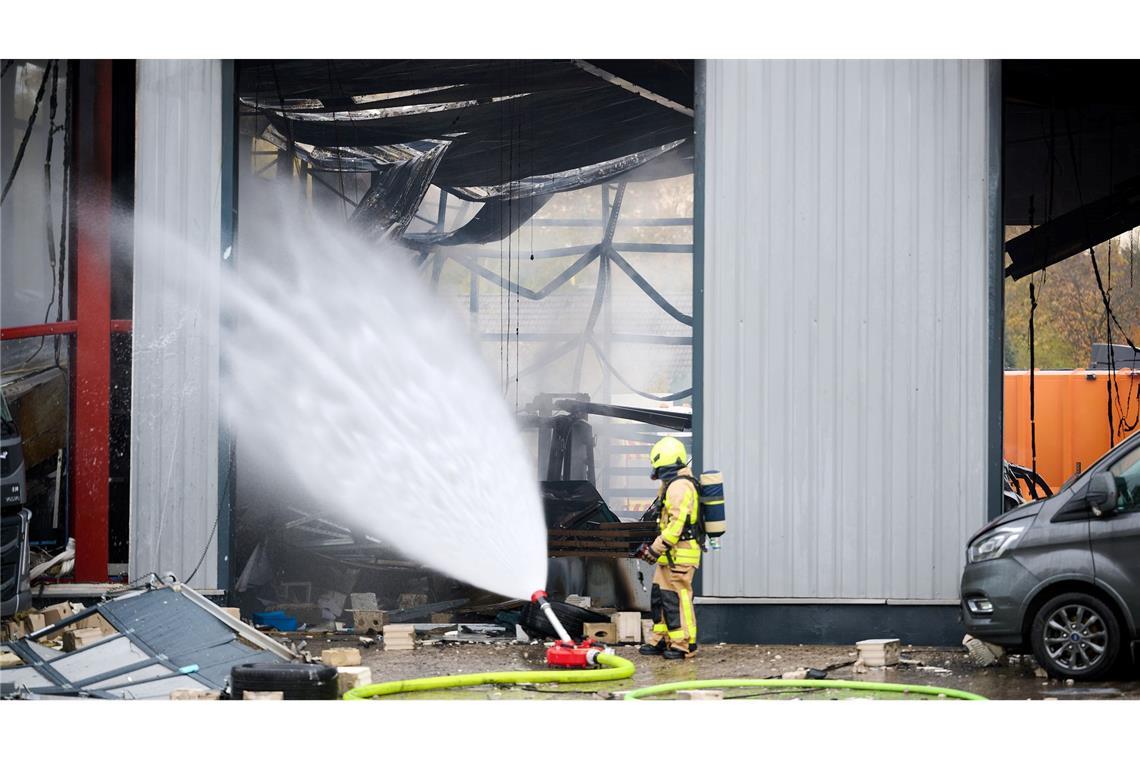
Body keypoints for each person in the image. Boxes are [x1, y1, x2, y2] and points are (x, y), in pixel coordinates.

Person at [634, 436, 701, 660]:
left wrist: (655, 547)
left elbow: (677, 524)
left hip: (680, 554)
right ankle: (661, 638)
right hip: (670, 554)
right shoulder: (671, 485)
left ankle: (685, 644)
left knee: (678, 598)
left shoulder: (680, 487)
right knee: (660, 598)